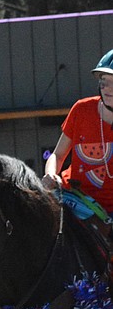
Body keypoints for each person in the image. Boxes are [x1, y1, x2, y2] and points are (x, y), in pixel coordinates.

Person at [42, 48, 113, 217]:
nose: (106, 88)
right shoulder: (81, 109)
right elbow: (58, 155)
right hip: (74, 199)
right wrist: (50, 174)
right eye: (104, 81)